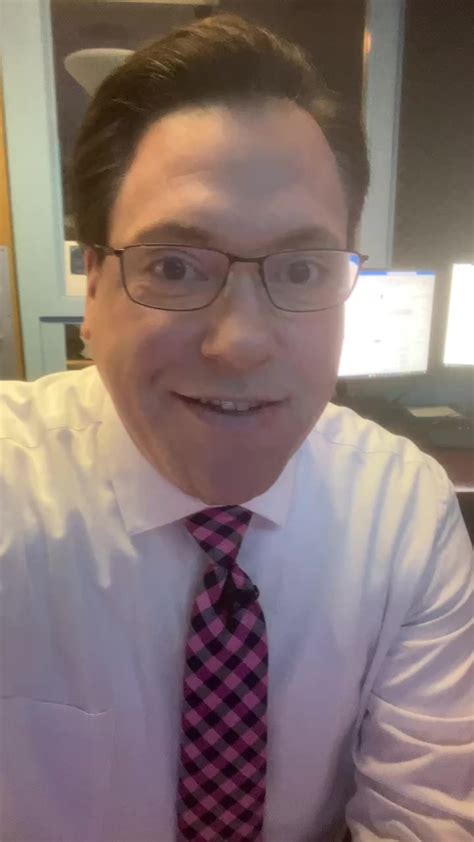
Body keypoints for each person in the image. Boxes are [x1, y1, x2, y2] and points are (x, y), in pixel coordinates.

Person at [0, 13, 472, 842]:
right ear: (93, 289)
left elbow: (424, 819)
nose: (241, 343)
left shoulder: (403, 512)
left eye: (303, 269)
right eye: (174, 266)